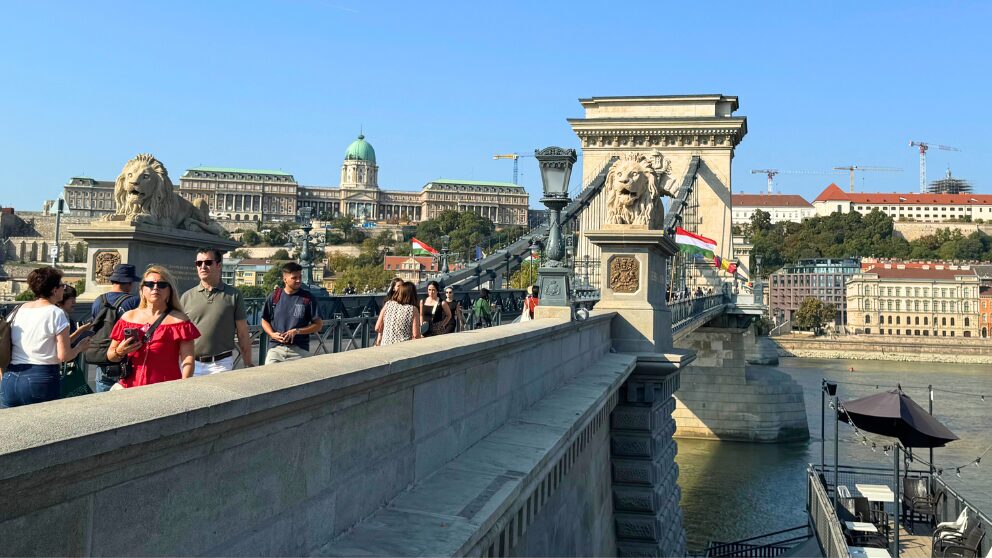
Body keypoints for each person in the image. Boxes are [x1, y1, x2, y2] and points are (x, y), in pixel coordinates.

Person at [2, 267, 91, 408]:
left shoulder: (18, 309)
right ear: (54, 290)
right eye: (62, 285)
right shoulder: (56, 313)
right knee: (41, 427)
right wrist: (80, 348)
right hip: (40, 377)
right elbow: (64, 356)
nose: (64, 288)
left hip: (10, 377)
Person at [106, 266, 200, 388]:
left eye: (161, 285)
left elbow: (188, 359)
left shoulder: (180, 321)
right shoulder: (128, 317)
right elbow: (110, 356)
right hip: (129, 388)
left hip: (164, 389)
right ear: (142, 289)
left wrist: (182, 387)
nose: (155, 288)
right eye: (149, 284)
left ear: (169, 290)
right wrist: (120, 351)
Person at [181, 248, 253, 376]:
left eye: (208, 262)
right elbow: (179, 334)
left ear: (218, 265)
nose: (202, 266)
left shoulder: (234, 295)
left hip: (221, 364)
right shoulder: (186, 297)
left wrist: (248, 363)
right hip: (191, 363)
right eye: (198, 263)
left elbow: (242, 333)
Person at [85, 264, 141, 392]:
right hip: (125, 362)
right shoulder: (133, 302)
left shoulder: (99, 300)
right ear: (129, 282)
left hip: (103, 359)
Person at [261, 262, 322, 364]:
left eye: (300, 277)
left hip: (299, 350)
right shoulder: (274, 297)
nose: (298, 280)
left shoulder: (308, 298)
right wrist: (272, 334)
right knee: (268, 377)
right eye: (294, 278)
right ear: (285, 279)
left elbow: (318, 325)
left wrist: (297, 331)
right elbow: (264, 320)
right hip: (276, 349)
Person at [57, 284, 93, 398]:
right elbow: (61, 344)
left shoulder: (66, 317)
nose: (74, 303)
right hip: (61, 368)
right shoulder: (59, 316)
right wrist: (79, 332)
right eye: (71, 300)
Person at [375, 281, 421, 345]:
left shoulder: (388, 304)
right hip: (403, 347)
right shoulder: (413, 309)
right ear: (413, 295)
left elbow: (377, 327)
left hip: (385, 345)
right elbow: (416, 334)